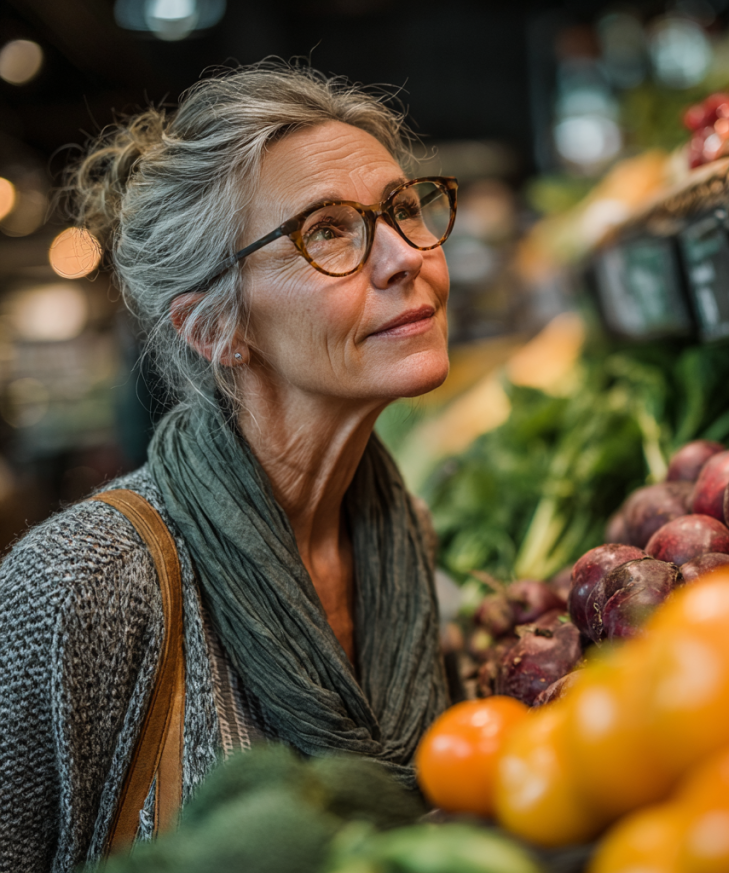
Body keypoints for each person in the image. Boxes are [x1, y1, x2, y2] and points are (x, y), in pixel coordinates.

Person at [0, 62, 457, 873]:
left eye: (402, 209)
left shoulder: (401, 533)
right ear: (216, 329)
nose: (402, 257)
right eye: (327, 232)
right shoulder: (82, 581)